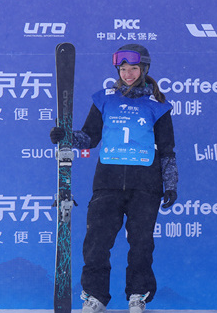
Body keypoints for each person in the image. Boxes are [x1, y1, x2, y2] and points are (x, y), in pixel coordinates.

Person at [50, 43, 178, 313]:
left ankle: (137, 295)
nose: (128, 74)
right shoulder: (105, 99)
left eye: (133, 69)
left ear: (144, 69)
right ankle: (95, 296)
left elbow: (167, 150)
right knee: (96, 242)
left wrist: (170, 184)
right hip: (107, 183)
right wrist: (66, 136)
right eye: (123, 69)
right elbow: (89, 137)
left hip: (145, 186)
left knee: (141, 244)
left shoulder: (158, 106)